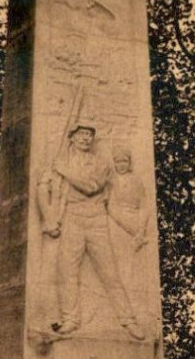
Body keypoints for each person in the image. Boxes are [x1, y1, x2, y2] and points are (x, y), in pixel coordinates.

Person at [39, 122, 144, 339]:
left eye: (89, 135)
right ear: (72, 138)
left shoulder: (100, 163)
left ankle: (128, 320)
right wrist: (50, 217)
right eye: (81, 135)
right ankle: (70, 319)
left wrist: (64, 170)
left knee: (108, 271)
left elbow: (91, 186)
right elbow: (44, 188)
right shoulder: (61, 160)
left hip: (95, 218)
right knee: (67, 270)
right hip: (71, 218)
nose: (85, 139)